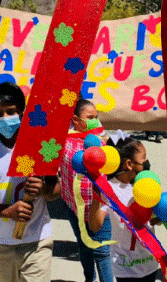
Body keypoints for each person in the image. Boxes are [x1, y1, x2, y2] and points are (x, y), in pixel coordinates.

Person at [0, 82, 60, 282]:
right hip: (0, 243)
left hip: (37, 241)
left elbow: (56, 190)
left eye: (11, 111)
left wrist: (43, 189)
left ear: (22, 112)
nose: (5, 117)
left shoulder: (40, 146)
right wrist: (6, 211)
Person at [89, 136, 160, 282]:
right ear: (129, 164)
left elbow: (153, 221)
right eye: (143, 158)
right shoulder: (109, 189)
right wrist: (96, 196)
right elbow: (95, 226)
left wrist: (161, 215)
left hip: (149, 263)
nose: (146, 162)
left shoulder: (147, 182)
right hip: (125, 267)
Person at [58, 99, 113, 282]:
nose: (95, 121)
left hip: (100, 208)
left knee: (103, 253)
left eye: (96, 117)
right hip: (75, 209)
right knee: (83, 246)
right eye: (90, 117)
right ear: (75, 119)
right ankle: (89, 278)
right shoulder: (63, 142)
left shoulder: (102, 142)